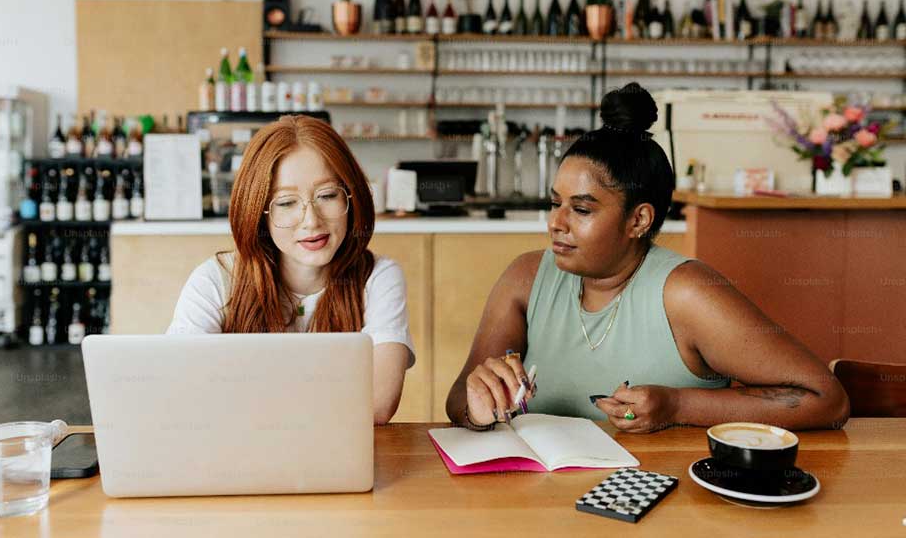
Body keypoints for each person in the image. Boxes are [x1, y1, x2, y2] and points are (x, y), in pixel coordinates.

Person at [445, 83, 850, 433]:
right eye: (555, 203)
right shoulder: (526, 277)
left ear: (638, 220)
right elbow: (457, 402)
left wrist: (677, 407)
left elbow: (827, 399)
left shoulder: (686, 293)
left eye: (582, 210)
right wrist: (479, 409)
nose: (556, 222)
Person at [168, 115, 414, 425]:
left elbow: (378, 404)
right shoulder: (215, 280)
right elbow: (180, 389)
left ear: (351, 196)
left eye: (327, 196)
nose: (311, 220)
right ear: (259, 213)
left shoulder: (378, 277)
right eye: (286, 203)